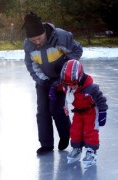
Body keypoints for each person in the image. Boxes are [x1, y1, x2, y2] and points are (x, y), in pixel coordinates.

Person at [22, 12, 83, 155]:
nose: (37, 42)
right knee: (42, 111)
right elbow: (31, 66)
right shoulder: (28, 45)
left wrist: (65, 64)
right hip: (43, 81)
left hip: (62, 79)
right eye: (33, 39)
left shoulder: (61, 36)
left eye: (39, 38)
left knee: (57, 108)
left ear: (44, 32)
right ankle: (46, 144)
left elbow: (77, 50)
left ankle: (65, 134)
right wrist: (43, 80)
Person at [60, 59, 108, 168]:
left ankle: (91, 151)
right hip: (78, 112)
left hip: (91, 112)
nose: (71, 87)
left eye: (74, 84)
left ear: (80, 78)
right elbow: (64, 92)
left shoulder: (91, 88)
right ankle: (77, 148)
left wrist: (103, 112)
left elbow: (101, 100)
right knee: (75, 130)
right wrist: (64, 103)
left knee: (90, 131)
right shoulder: (67, 86)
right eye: (68, 84)